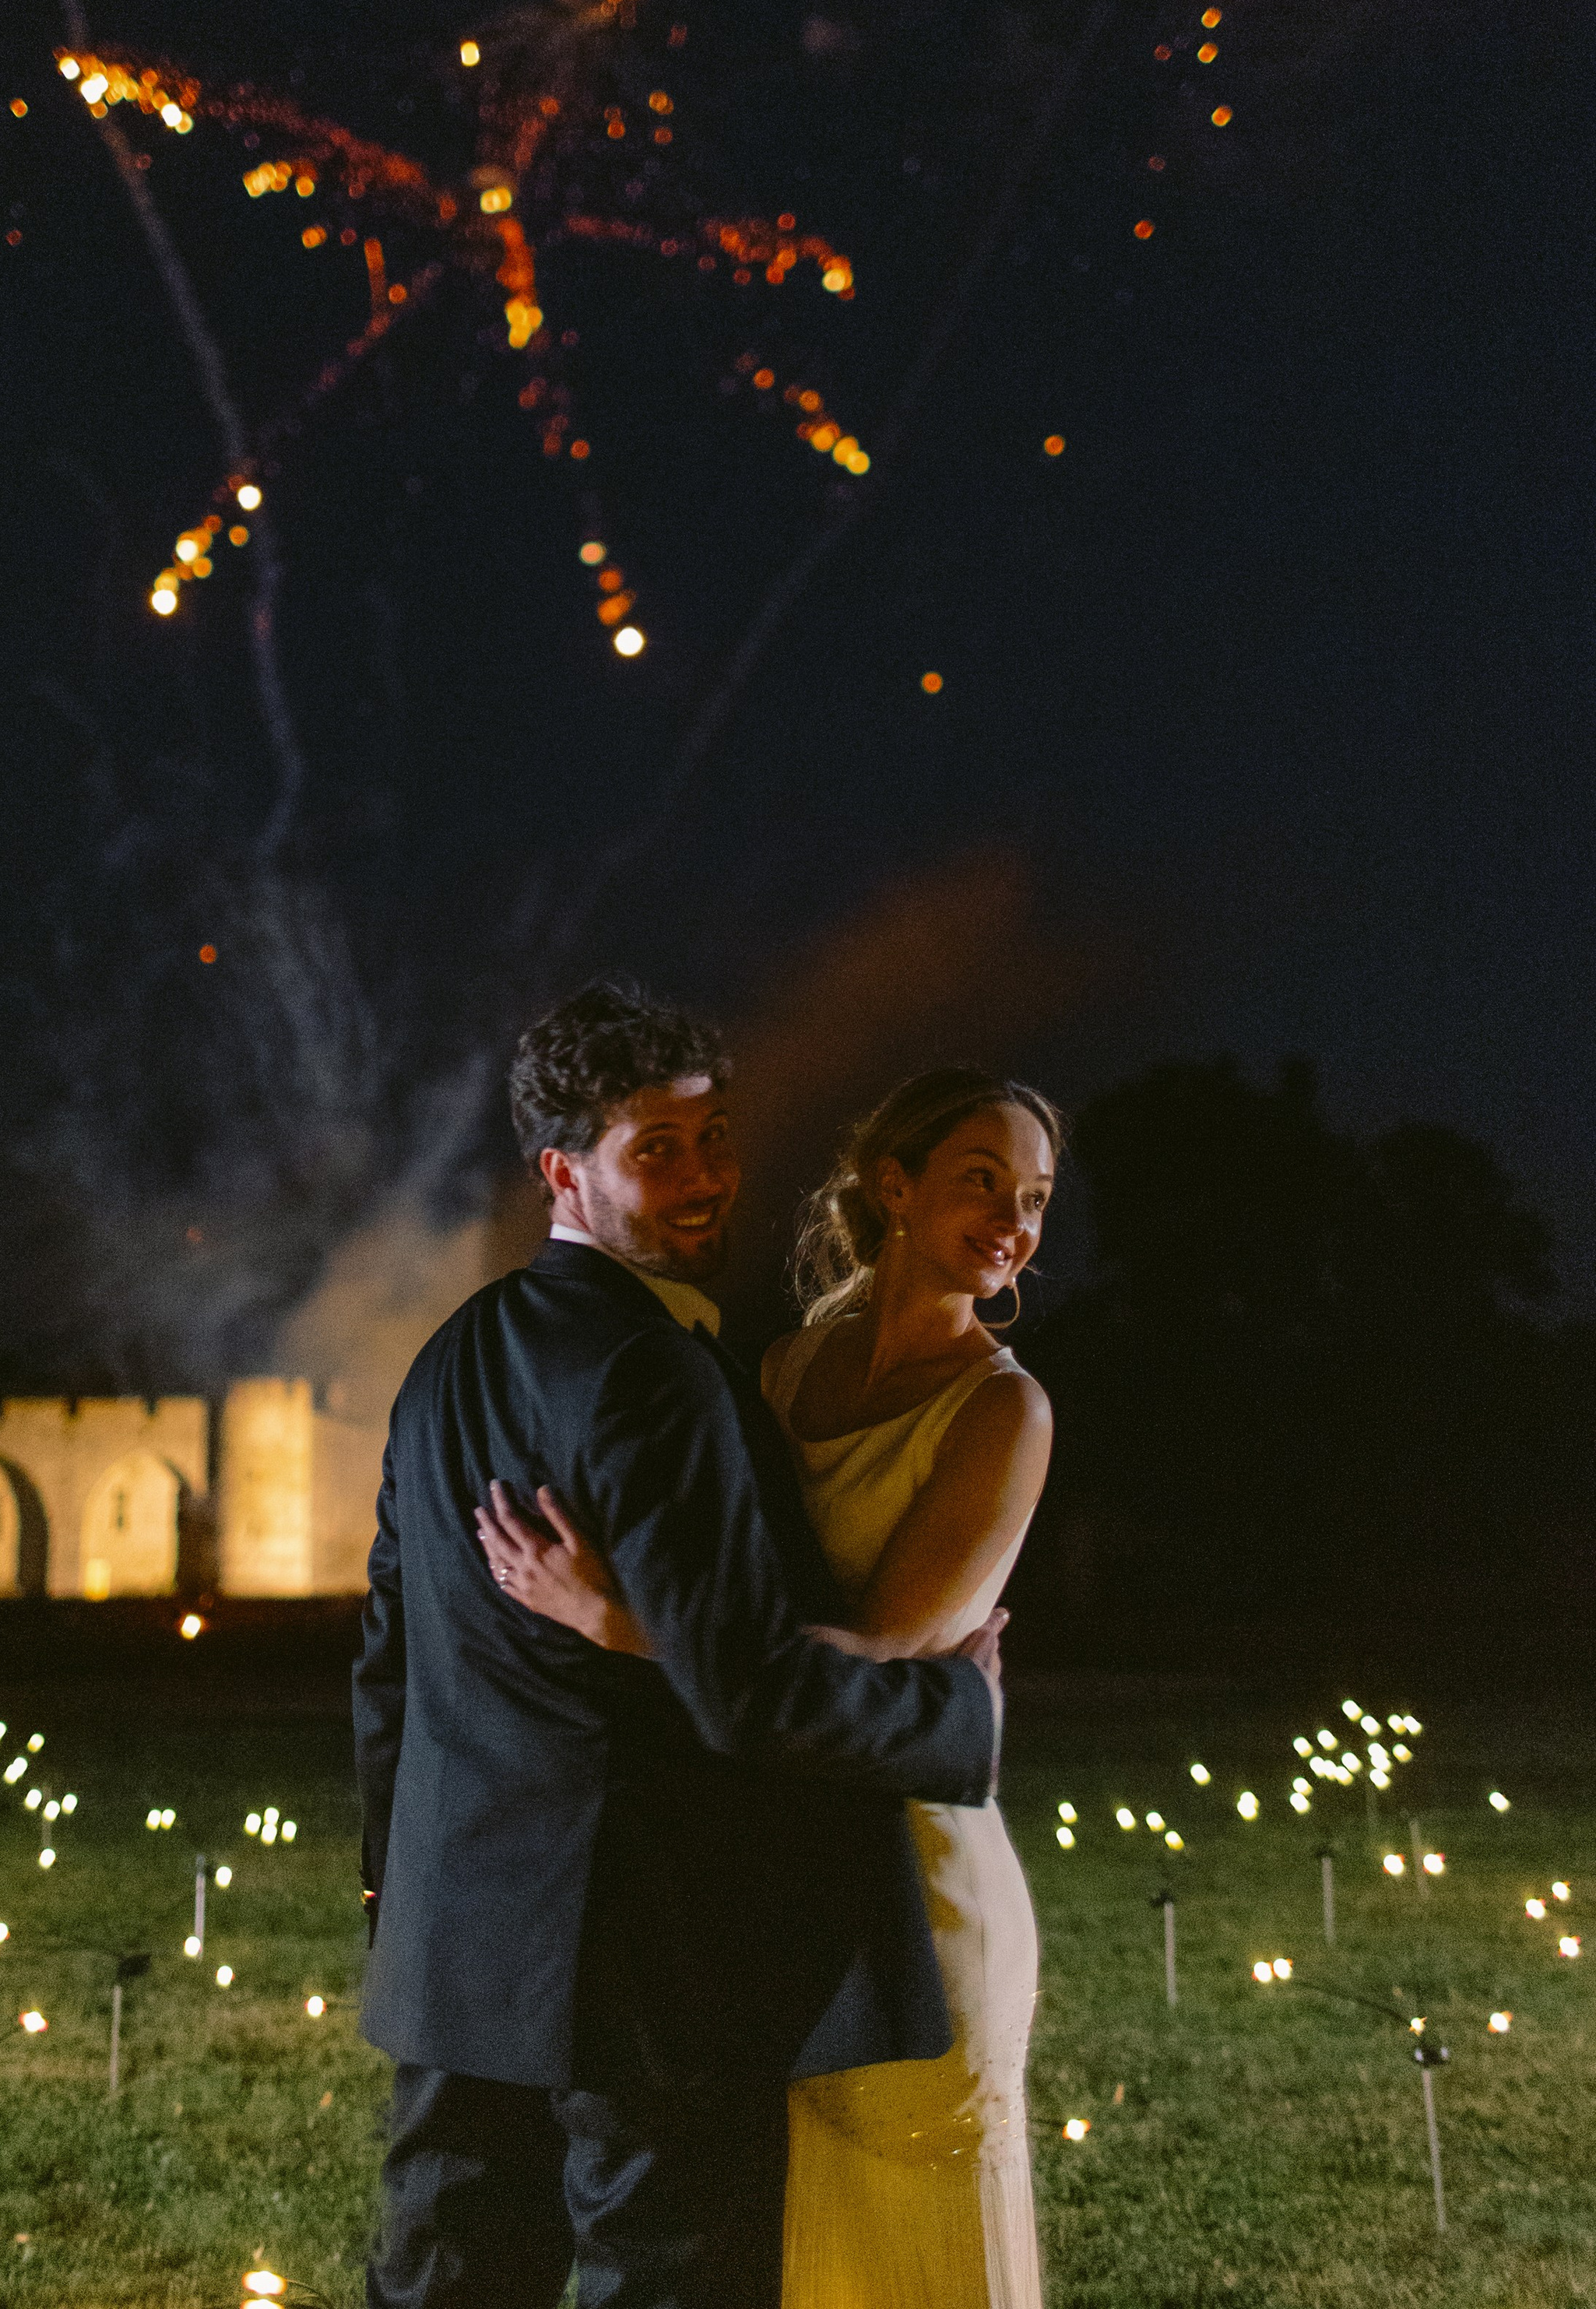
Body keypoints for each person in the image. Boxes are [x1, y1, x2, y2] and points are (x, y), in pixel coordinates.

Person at [356, 985, 1007, 2309]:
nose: (707, 1179)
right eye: (659, 1152)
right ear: (563, 1172)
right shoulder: (649, 1370)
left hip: (458, 1938)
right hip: (650, 1953)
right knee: (669, 2281)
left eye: (715, 1141)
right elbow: (748, 1687)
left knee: (450, 2286)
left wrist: (394, 1888)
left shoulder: (445, 1361)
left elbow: (390, 1670)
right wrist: (958, 1717)